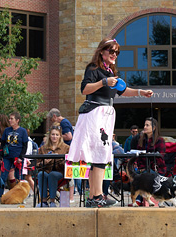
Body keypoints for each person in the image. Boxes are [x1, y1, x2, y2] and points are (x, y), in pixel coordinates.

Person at [66, 38, 153, 208]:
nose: (114, 55)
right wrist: (104, 82)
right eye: (111, 51)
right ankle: (98, 195)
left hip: (104, 114)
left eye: (117, 52)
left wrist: (141, 92)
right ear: (102, 52)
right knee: (98, 153)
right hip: (95, 112)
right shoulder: (94, 69)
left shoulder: (110, 72)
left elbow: (123, 90)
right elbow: (85, 89)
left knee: (98, 154)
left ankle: (93, 196)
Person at [36, 123, 70, 207]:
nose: (54, 136)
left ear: (60, 136)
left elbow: (69, 164)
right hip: (46, 170)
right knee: (41, 174)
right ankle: (43, 201)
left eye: (57, 135)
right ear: (50, 136)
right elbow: (37, 163)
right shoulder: (44, 148)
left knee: (52, 175)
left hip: (60, 172)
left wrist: (58, 159)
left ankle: (52, 201)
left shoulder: (66, 148)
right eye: (53, 134)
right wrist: (44, 162)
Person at [0, 112, 28, 196]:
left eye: (12, 118)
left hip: (17, 157)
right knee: (3, 176)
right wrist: (1, 155)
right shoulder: (7, 130)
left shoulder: (23, 131)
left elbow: (25, 145)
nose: (9, 120)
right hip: (7, 156)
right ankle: (0, 196)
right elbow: (2, 143)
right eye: (9, 118)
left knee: (19, 177)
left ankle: (20, 196)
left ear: (17, 120)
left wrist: (21, 157)